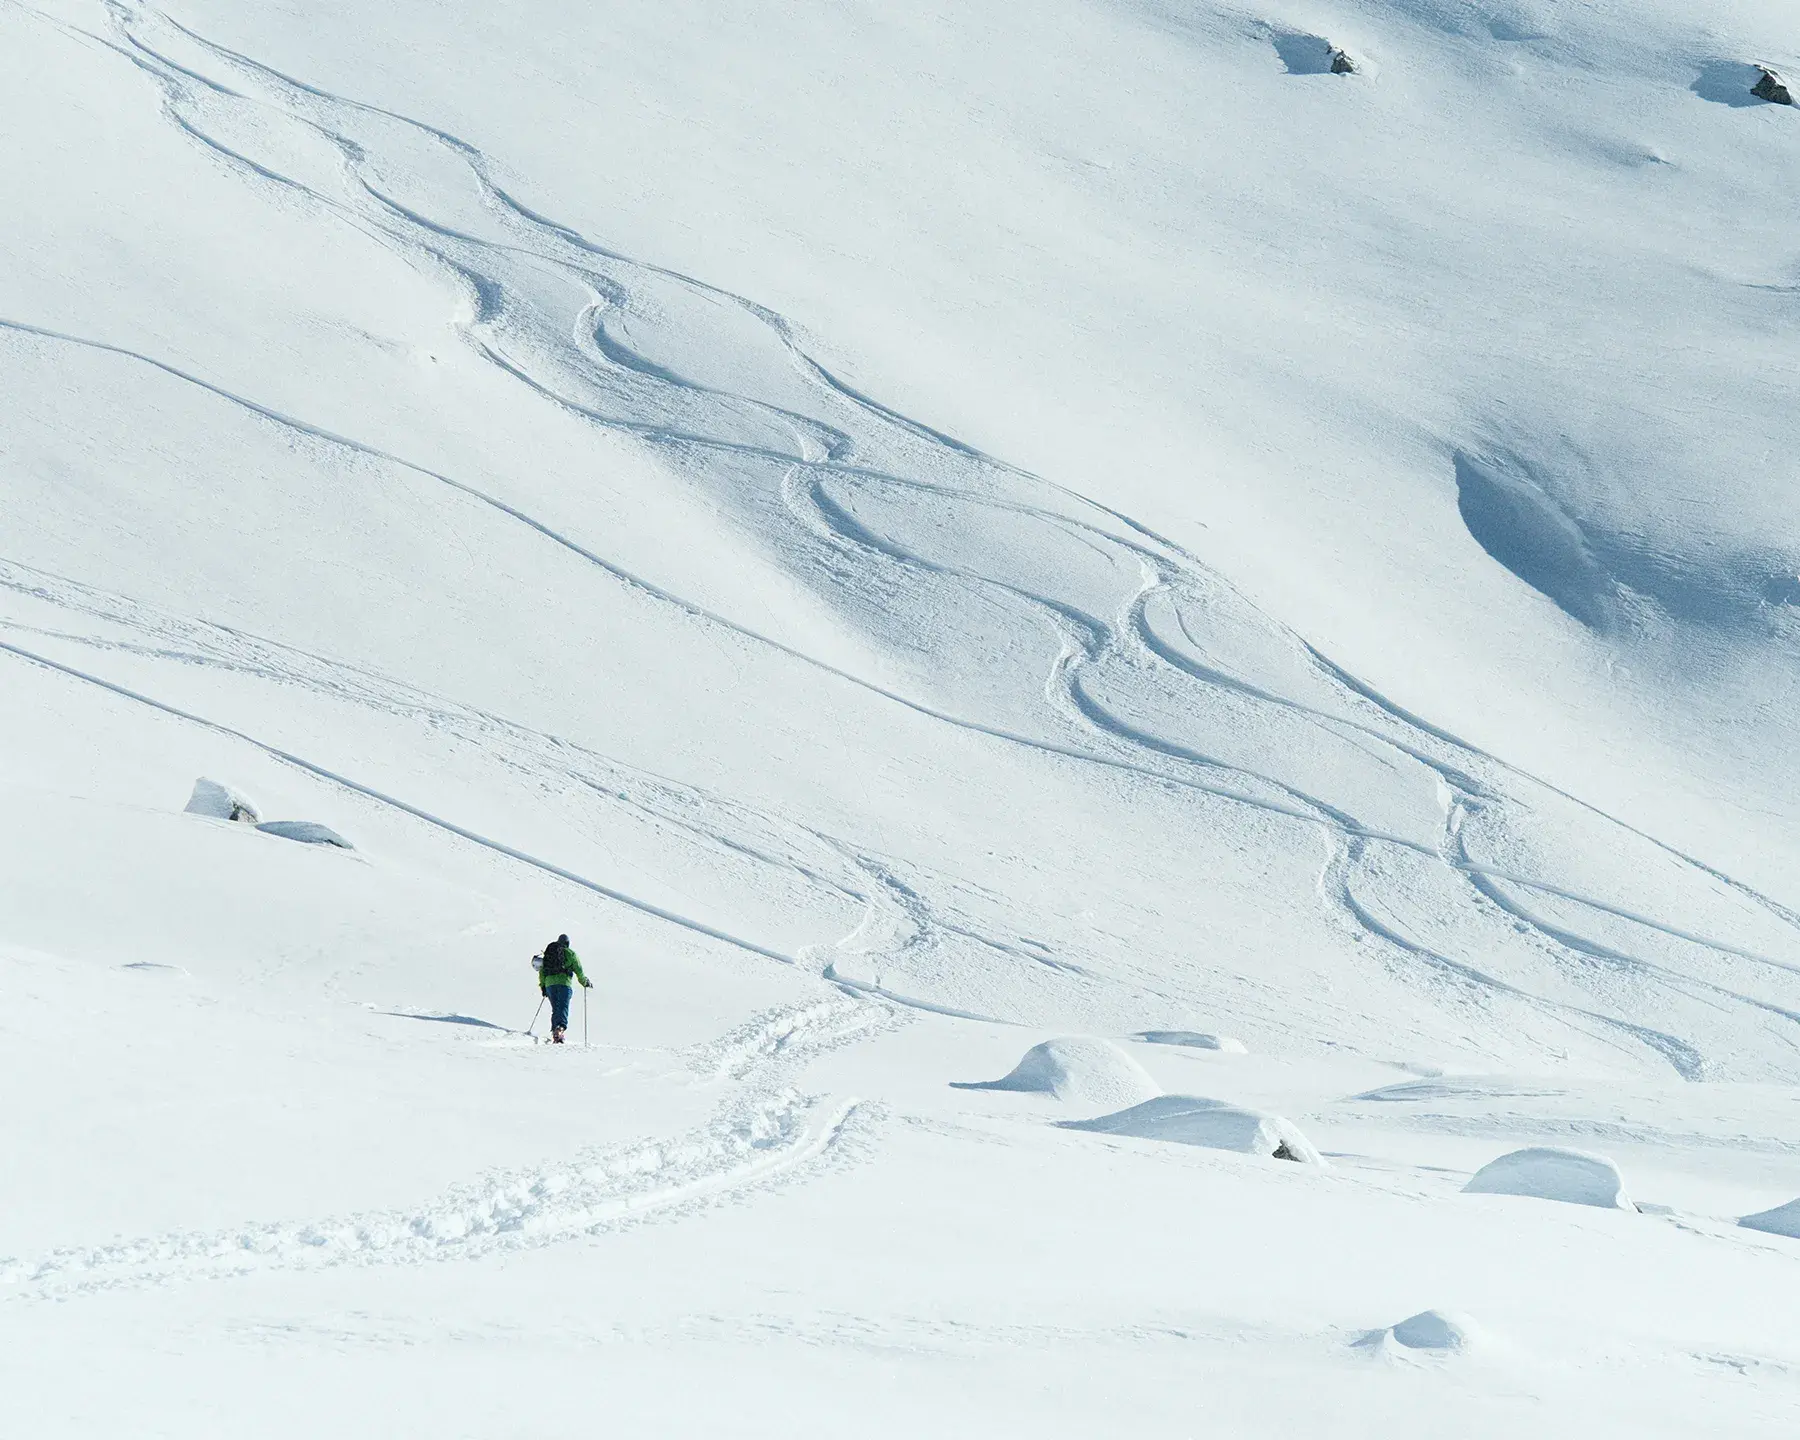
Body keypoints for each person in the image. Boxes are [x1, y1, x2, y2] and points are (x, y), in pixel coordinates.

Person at [535, 933, 590, 1044]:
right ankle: (560, 1030)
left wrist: (543, 986)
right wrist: (584, 982)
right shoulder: (570, 954)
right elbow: (578, 970)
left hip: (550, 985)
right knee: (563, 1007)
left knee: (556, 1009)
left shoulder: (549, 954)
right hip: (564, 983)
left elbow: (542, 971)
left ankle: (555, 1031)